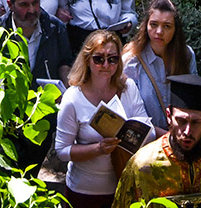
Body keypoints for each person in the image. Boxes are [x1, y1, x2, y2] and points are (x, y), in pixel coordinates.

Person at [113, 74, 201, 208]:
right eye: (181, 121)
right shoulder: (142, 164)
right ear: (169, 116)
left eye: (195, 122)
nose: (187, 132)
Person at [56, 30, 151, 208]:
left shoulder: (128, 88)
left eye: (112, 59)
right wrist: (98, 149)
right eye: (99, 59)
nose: (106, 65)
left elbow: (146, 127)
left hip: (124, 188)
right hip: (84, 192)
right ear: (87, 60)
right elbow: (62, 150)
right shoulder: (73, 98)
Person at [122, 0, 197, 133]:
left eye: (167, 26)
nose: (159, 32)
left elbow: (192, 101)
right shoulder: (131, 61)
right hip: (147, 138)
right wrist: (166, 137)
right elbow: (130, 115)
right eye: (154, 24)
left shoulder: (186, 55)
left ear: (175, 29)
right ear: (146, 25)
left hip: (181, 136)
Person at [0, 0, 73, 84]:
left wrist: (66, 86)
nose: (31, 10)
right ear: (10, 5)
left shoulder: (56, 28)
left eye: (35, 2)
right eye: (24, 5)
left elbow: (65, 62)